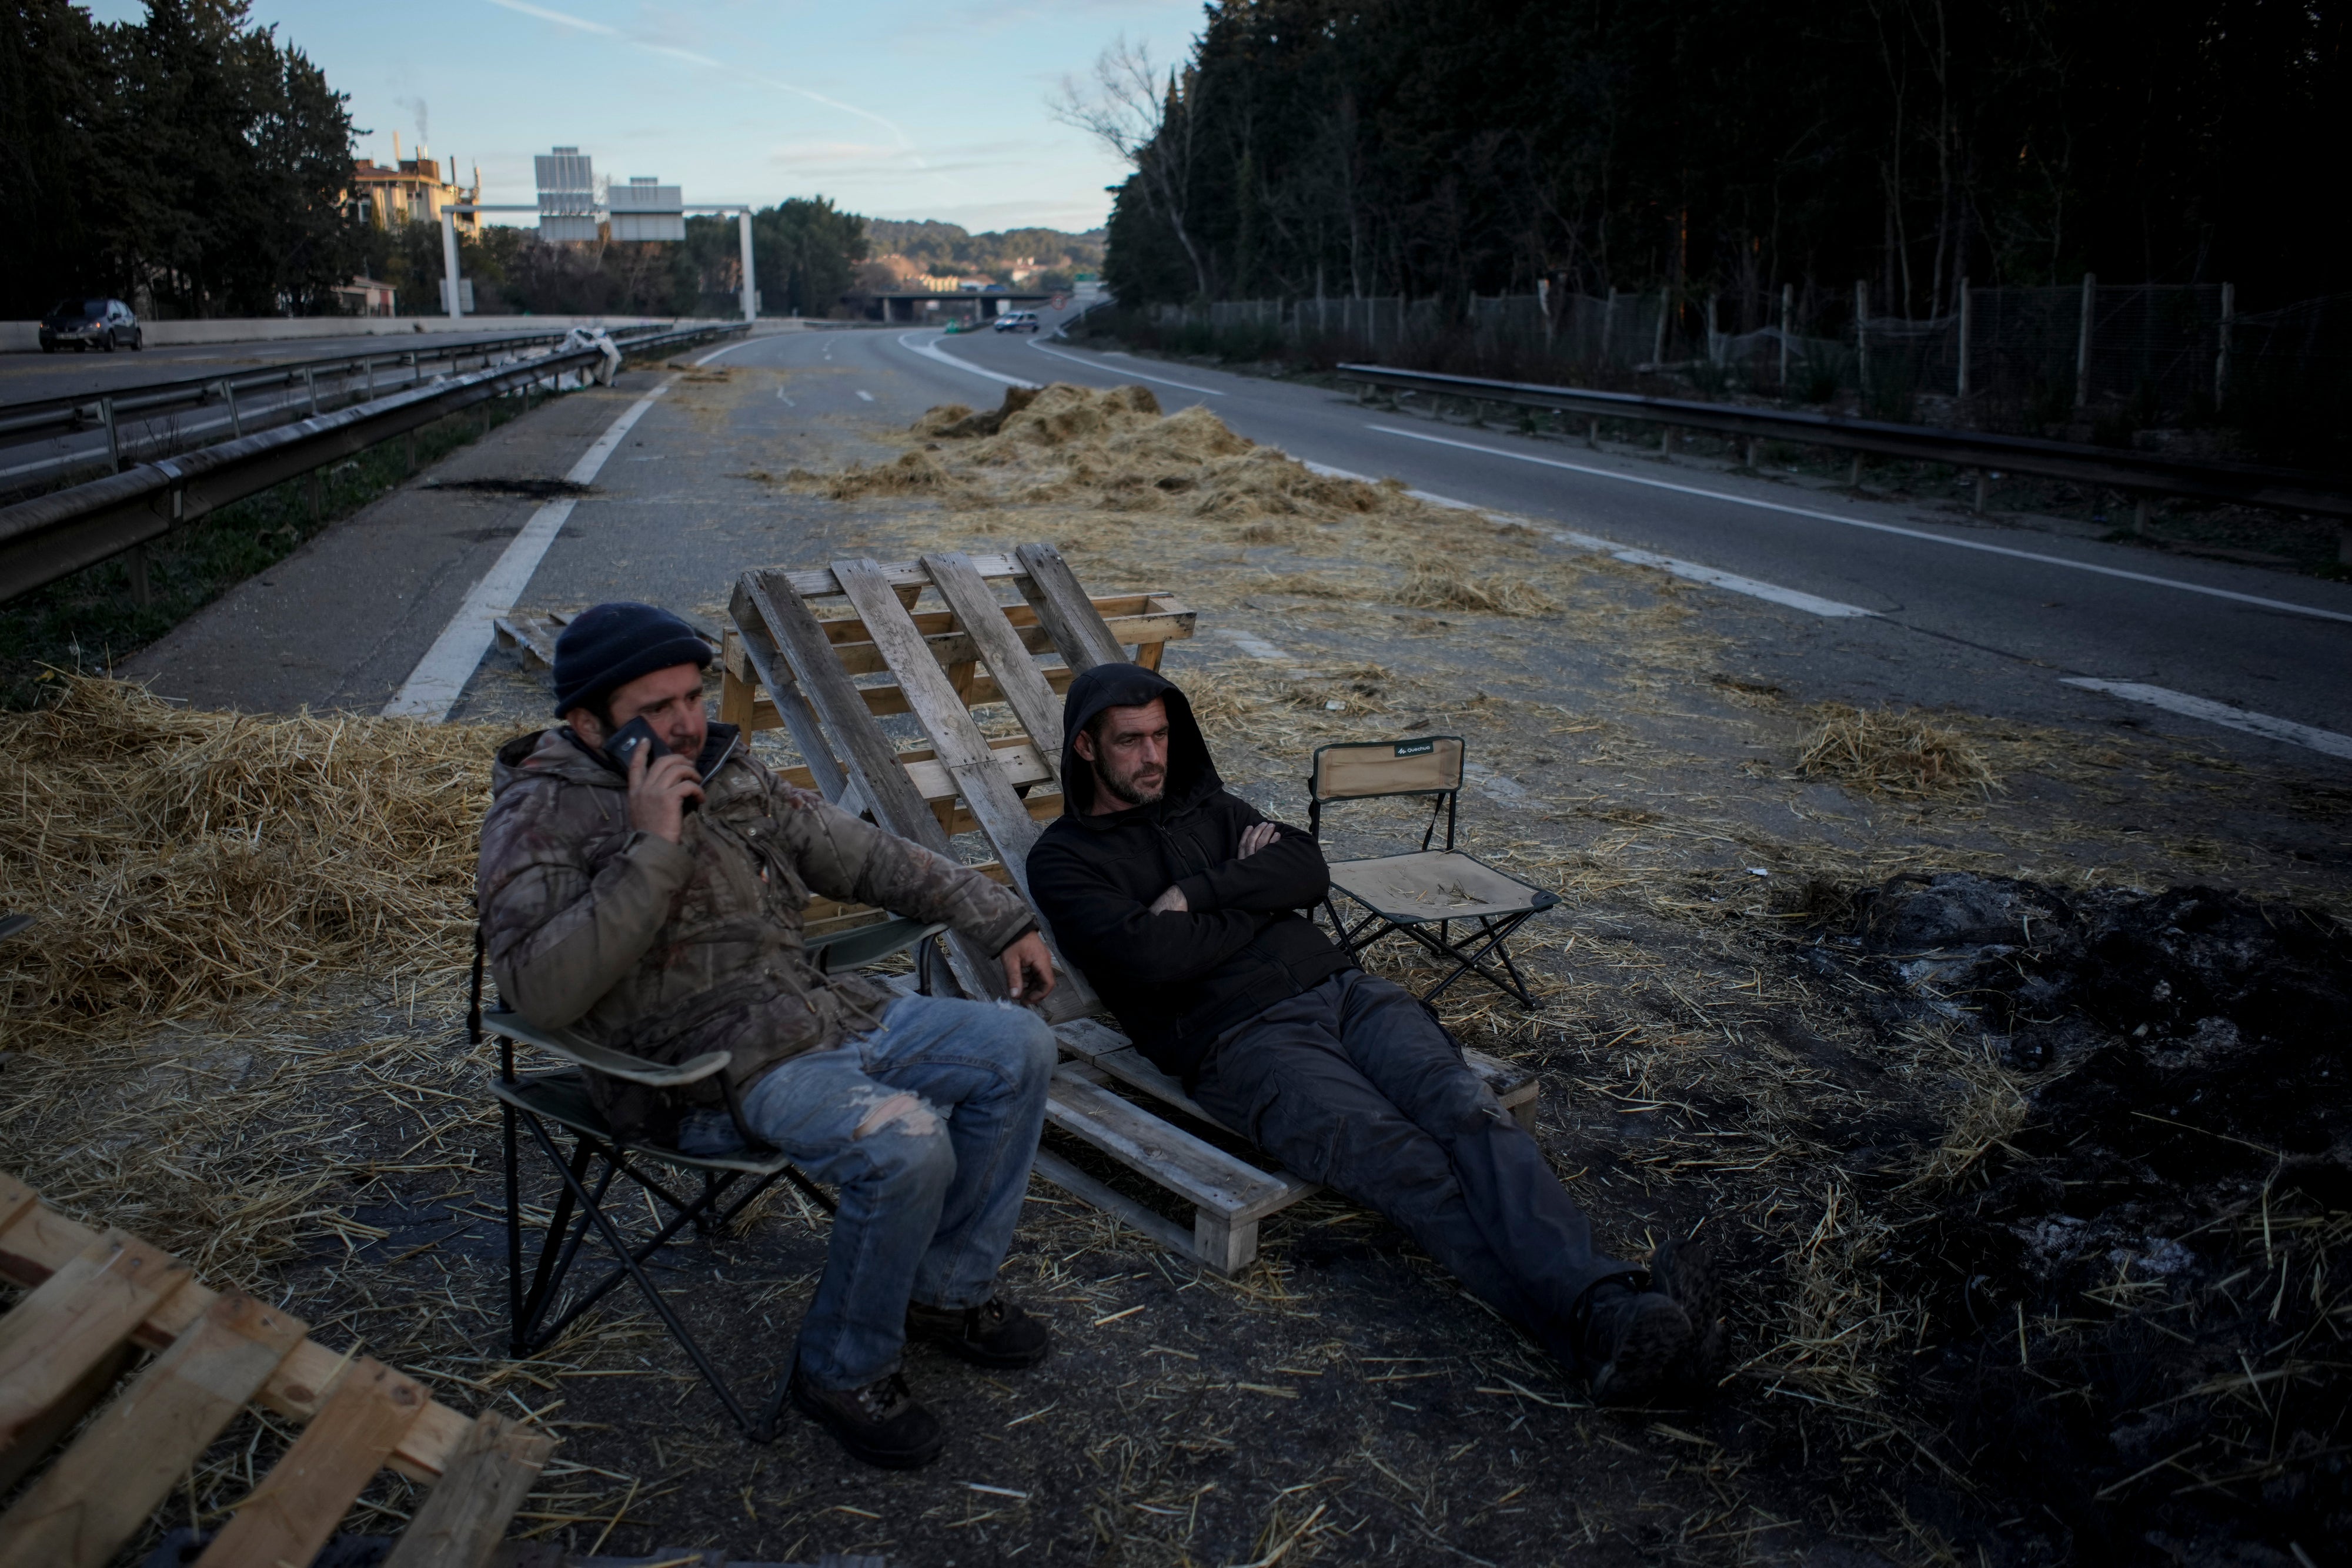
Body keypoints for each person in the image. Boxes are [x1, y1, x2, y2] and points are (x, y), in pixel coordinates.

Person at [1025, 664, 1720, 1403]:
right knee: (1405, 1163)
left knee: (1467, 1112)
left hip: (1349, 994)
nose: (1154, 756)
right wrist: (1258, 897)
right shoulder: (1065, 861)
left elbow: (1308, 871)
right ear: (1087, 749)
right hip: (1243, 1043)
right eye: (1131, 741)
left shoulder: (1213, 808)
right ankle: (1605, 1318)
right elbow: (1153, 957)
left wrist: (1198, 894)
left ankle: (1609, 1318)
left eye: (1162, 735)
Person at [478, 601, 1061, 1469]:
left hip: (820, 1012)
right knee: (907, 1146)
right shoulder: (540, 815)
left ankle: (942, 1292)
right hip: (700, 1073)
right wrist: (652, 847)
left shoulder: (727, 768)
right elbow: (541, 990)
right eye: (657, 707)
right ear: (585, 720)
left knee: (1020, 1047)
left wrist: (999, 916)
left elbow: (863, 855)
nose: (686, 721)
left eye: (693, 694)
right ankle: (840, 1367)